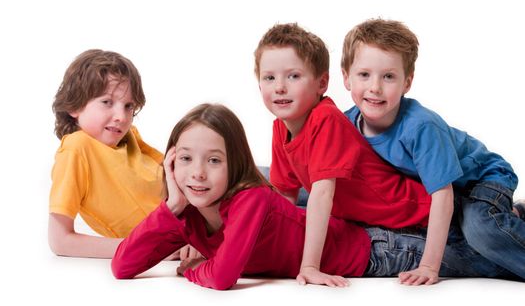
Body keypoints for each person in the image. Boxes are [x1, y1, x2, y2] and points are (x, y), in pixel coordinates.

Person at [111, 103, 519, 290]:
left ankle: (504, 211)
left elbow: (221, 277)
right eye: (185, 160)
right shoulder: (188, 211)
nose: (196, 173)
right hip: (360, 233)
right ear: (170, 163)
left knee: (487, 259)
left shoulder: (249, 199)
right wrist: (172, 207)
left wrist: (189, 270)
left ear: (235, 165)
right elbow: (122, 266)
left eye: (213, 160)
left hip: (375, 251)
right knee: (475, 245)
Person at [341, 18, 525, 283]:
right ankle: (514, 214)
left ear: (407, 82)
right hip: (446, 191)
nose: (375, 87)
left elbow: (442, 196)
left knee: (480, 231)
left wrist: (428, 265)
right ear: (346, 77)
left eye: (389, 76)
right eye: (364, 74)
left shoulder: (420, 127)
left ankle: (503, 215)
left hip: (481, 179)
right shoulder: (348, 123)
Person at [254, 23, 436, 286]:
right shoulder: (280, 127)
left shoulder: (325, 118)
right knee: (259, 183)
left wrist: (310, 265)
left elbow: (323, 193)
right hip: (358, 216)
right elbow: (285, 197)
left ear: (322, 83)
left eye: (293, 76)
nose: (279, 87)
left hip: (411, 217)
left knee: (477, 253)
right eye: (269, 78)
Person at [49, 49, 169, 258]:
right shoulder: (77, 149)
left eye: (129, 106)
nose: (121, 117)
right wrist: (145, 248)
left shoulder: (130, 137)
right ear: (74, 106)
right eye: (107, 102)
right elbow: (60, 241)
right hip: (181, 236)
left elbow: (174, 168)